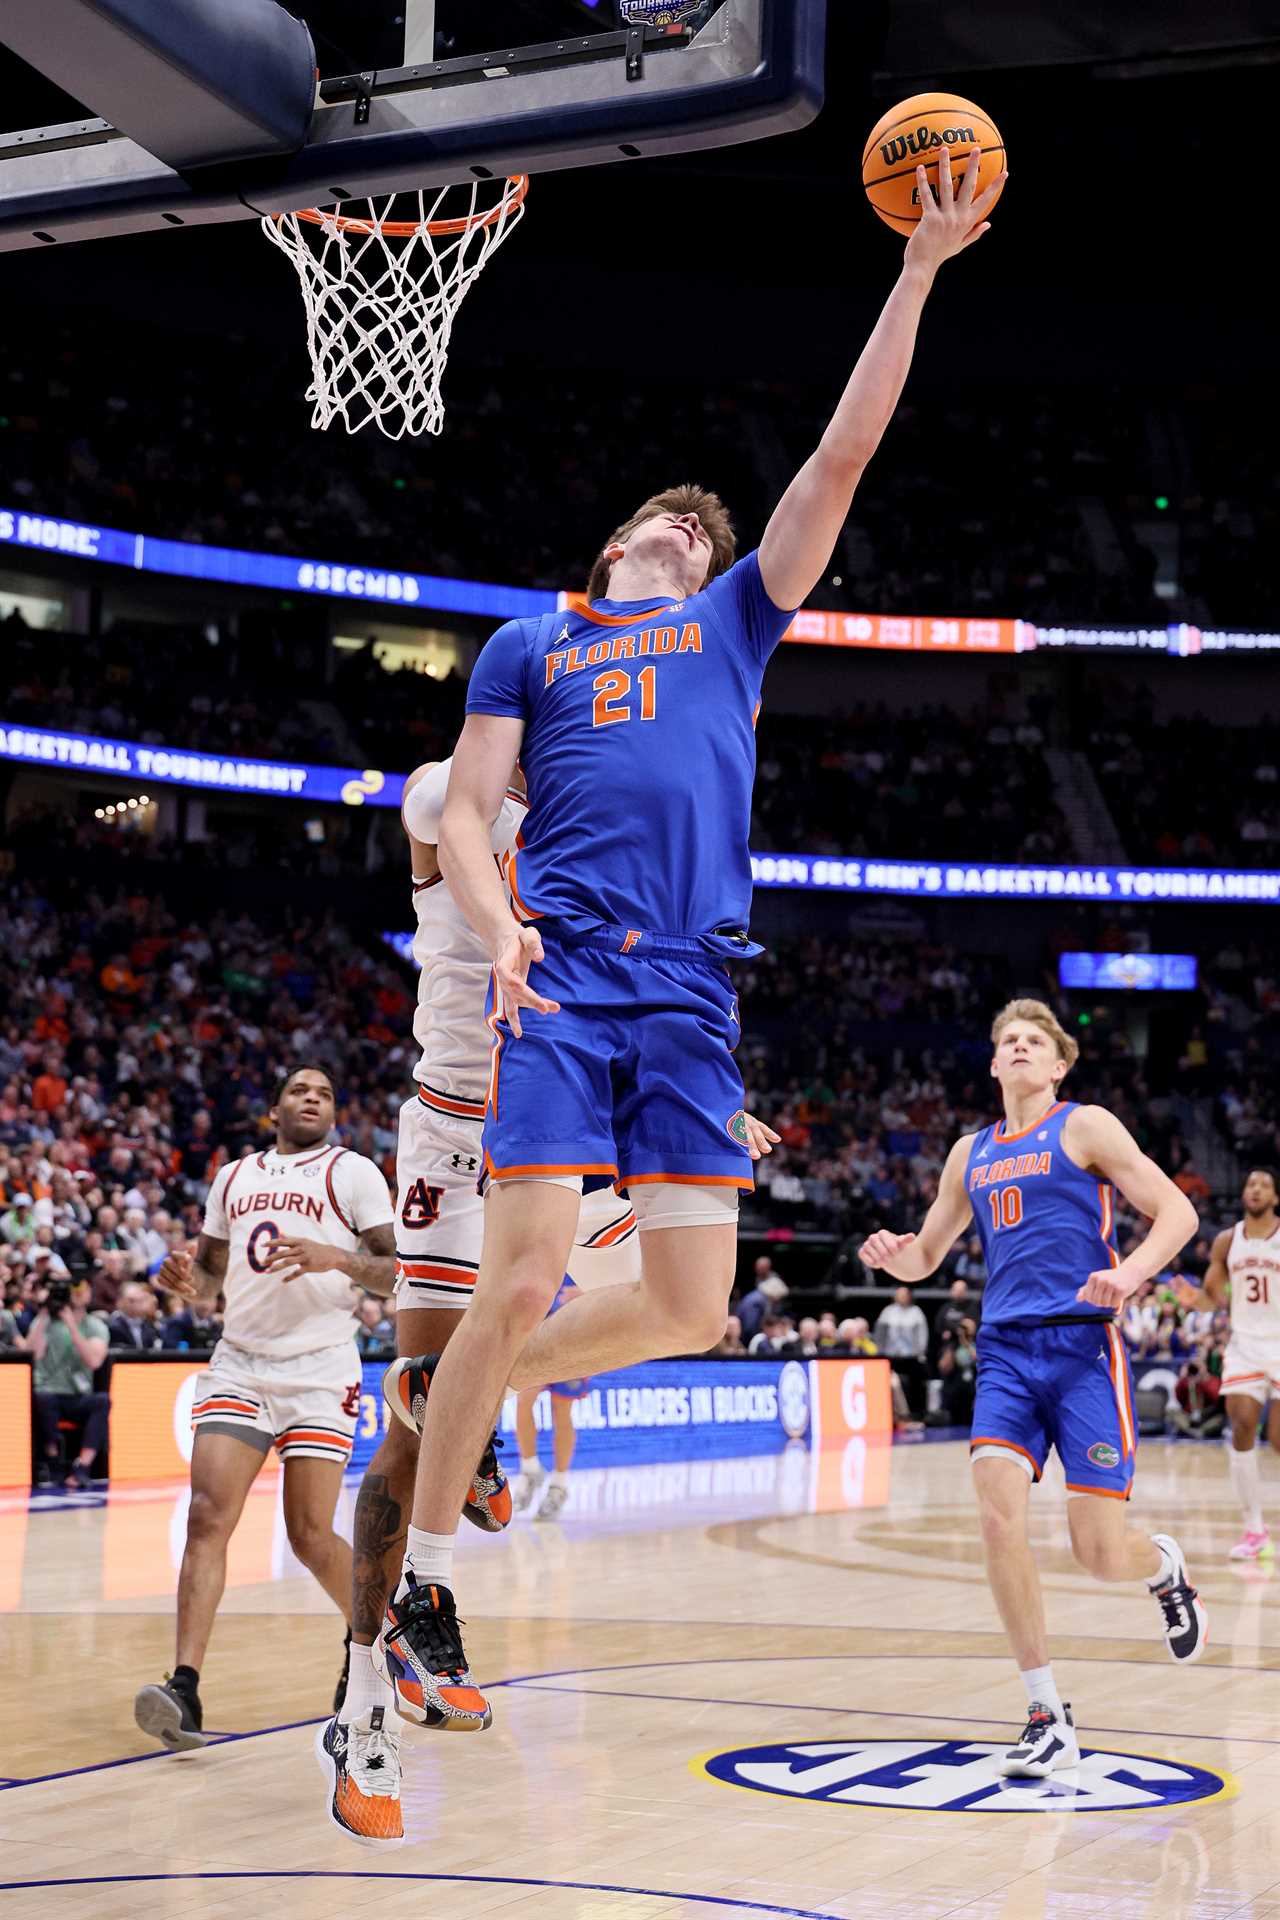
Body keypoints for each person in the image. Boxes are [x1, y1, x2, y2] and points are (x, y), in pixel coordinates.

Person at [380, 150, 1009, 1772]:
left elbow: (844, 448)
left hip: (697, 995)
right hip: (569, 970)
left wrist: (921, 269)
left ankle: (480, 1392)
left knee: (684, 1303)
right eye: (657, 517)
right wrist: (497, 919)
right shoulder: (538, 641)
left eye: (691, 520)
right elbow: (460, 806)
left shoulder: (736, 618)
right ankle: (426, 1589)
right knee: (523, 1271)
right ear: (612, 550)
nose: (677, 524)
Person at [860, 998, 1205, 1782]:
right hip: (1008, 1349)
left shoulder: (1085, 1127)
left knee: (1096, 1552)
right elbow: (928, 1256)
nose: (1017, 1048)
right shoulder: (968, 1153)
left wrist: (1127, 1273)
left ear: (1057, 1066)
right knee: (994, 1508)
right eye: (1006, 1041)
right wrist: (895, 1257)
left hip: (1084, 1347)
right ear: (993, 1064)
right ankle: (1046, 1711)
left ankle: (1161, 1569)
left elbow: (1176, 1213)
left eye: (1033, 1042)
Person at [132, 1066, 395, 1755]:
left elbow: (397, 1270)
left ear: (333, 1112)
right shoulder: (233, 1177)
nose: (313, 1097)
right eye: (301, 1089)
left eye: (326, 1092)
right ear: (274, 1108)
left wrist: (334, 1256)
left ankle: (365, 1638)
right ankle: (184, 1686)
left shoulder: (353, 1172)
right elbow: (210, 1286)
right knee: (207, 1516)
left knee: (309, 1534)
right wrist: (187, 1284)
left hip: (319, 1369)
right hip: (241, 1362)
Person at [1174, 1167, 1280, 1559]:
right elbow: (1211, 1295)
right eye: (1250, 1184)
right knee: (1241, 1427)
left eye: (1264, 1185)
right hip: (1246, 1346)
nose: (1255, 1189)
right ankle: (1254, 1530)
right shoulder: (1226, 1240)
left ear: (1275, 1198)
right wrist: (1193, 1302)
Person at [512, 1276, 590, 1520]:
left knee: (562, 1411)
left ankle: (560, 1483)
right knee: (524, 1399)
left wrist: (590, 1293)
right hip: (537, 1327)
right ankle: (530, 1468)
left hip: (573, 1332)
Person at [27, 1277, 109, 1489]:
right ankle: (54, 1461)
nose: (78, 1293)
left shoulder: (95, 1326)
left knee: (102, 1401)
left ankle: (82, 1466)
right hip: (47, 1392)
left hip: (78, 1396)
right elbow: (31, 1355)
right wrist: (44, 1314)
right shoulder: (44, 1322)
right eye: (73, 1290)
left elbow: (93, 1361)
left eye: (82, 1288)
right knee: (43, 1398)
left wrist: (72, 1325)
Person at [874, 1284, 929, 1415]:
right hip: (891, 1354)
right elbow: (880, 1333)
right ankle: (889, 1412)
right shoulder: (888, 1312)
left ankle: (916, 1412)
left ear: (909, 1297)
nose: (901, 1297)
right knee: (888, 1384)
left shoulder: (916, 1312)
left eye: (904, 1295)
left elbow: (922, 1334)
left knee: (916, 1384)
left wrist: (920, 1352)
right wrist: (880, 1351)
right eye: (899, 1295)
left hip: (911, 1356)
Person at [107, 1279, 164, 1350]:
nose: (137, 1304)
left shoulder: (149, 1326)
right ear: (120, 1302)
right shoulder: (112, 1327)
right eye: (132, 1300)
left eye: (140, 1300)